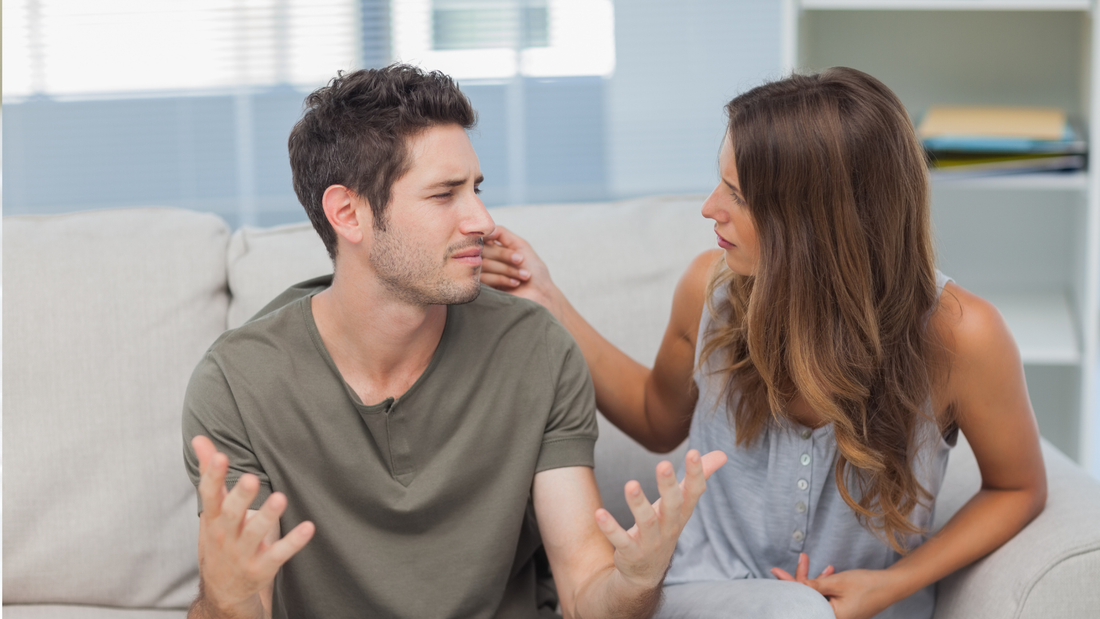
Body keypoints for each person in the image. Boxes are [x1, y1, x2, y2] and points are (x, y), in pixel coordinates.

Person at [480, 67, 1047, 619]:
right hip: (702, 595)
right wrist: (549, 298)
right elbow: (658, 419)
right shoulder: (710, 292)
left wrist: (891, 584)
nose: (708, 208)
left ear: (820, 224)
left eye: (738, 196)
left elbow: (1017, 488)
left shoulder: (963, 337)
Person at [181, 64, 728, 619]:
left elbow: (588, 596)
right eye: (445, 195)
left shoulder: (536, 348)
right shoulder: (239, 381)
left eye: (477, 189)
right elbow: (243, 606)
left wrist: (636, 579)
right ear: (348, 213)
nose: (482, 220)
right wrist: (225, 600)